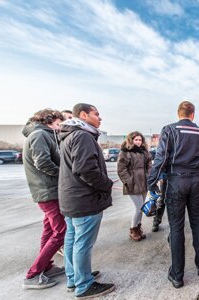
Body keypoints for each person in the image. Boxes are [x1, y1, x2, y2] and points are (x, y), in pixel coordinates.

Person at [147, 100, 199, 289]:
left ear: (178, 114)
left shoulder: (169, 129)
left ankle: (177, 275)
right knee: (198, 222)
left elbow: (161, 157)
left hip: (176, 181)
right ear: (193, 114)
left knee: (176, 228)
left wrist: (151, 182)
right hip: (197, 181)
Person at [58, 103, 115, 298]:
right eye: (96, 114)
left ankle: (74, 277)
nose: (100, 118)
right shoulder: (82, 136)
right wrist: (106, 184)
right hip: (84, 199)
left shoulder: (69, 135)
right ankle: (84, 285)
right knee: (82, 243)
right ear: (83, 115)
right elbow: (86, 169)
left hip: (71, 198)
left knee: (72, 239)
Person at [21, 109, 66, 290]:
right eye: (58, 123)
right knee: (61, 231)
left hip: (49, 191)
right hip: (48, 192)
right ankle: (32, 275)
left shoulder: (43, 134)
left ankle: (46, 267)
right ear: (49, 120)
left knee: (49, 230)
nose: (59, 126)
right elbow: (43, 163)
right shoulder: (39, 134)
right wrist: (64, 175)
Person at [117, 131, 152, 241]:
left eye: (140, 140)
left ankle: (138, 228)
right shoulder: (125, 152)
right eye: (136, 140)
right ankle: (133, 229)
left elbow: (149, 165)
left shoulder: (145, 152)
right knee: (139, 208)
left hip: (144, 182)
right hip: (133, 184)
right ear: (131, 140)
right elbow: (121, 169)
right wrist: (129, 181)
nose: (138, 142)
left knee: (141, 209)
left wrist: (148, 176)